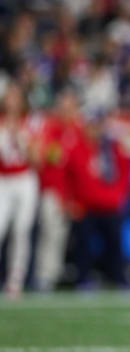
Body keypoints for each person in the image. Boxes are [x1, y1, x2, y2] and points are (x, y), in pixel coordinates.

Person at [65, 110, 130, 287]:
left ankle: (118, 278)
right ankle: (83, 279)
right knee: (83, 245)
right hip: (85, 205)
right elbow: (69, 176)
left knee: (115, 244)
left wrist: (120, 194)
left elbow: (126, 172)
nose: (94, 130)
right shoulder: (77, 148)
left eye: (97, 125)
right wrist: (72, 200)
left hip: (109, 204)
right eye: (91, 125)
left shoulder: (112, 148)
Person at [34, 88, 82, 291]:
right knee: (49, 233)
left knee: (62, 235)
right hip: (53, 189)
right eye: (64, 107)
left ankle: (55, 273)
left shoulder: (78, 131)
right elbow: (47, 159)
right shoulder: (50, 129)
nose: (67, 111)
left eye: (70, 107)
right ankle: (43, 275)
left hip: (71, 192)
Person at [0, 83, 39, 300]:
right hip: (3, 180)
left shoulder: (30, 123)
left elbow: (37, 159)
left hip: (24, 179)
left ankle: (16, 281)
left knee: (21, 230)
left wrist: (21, 139)